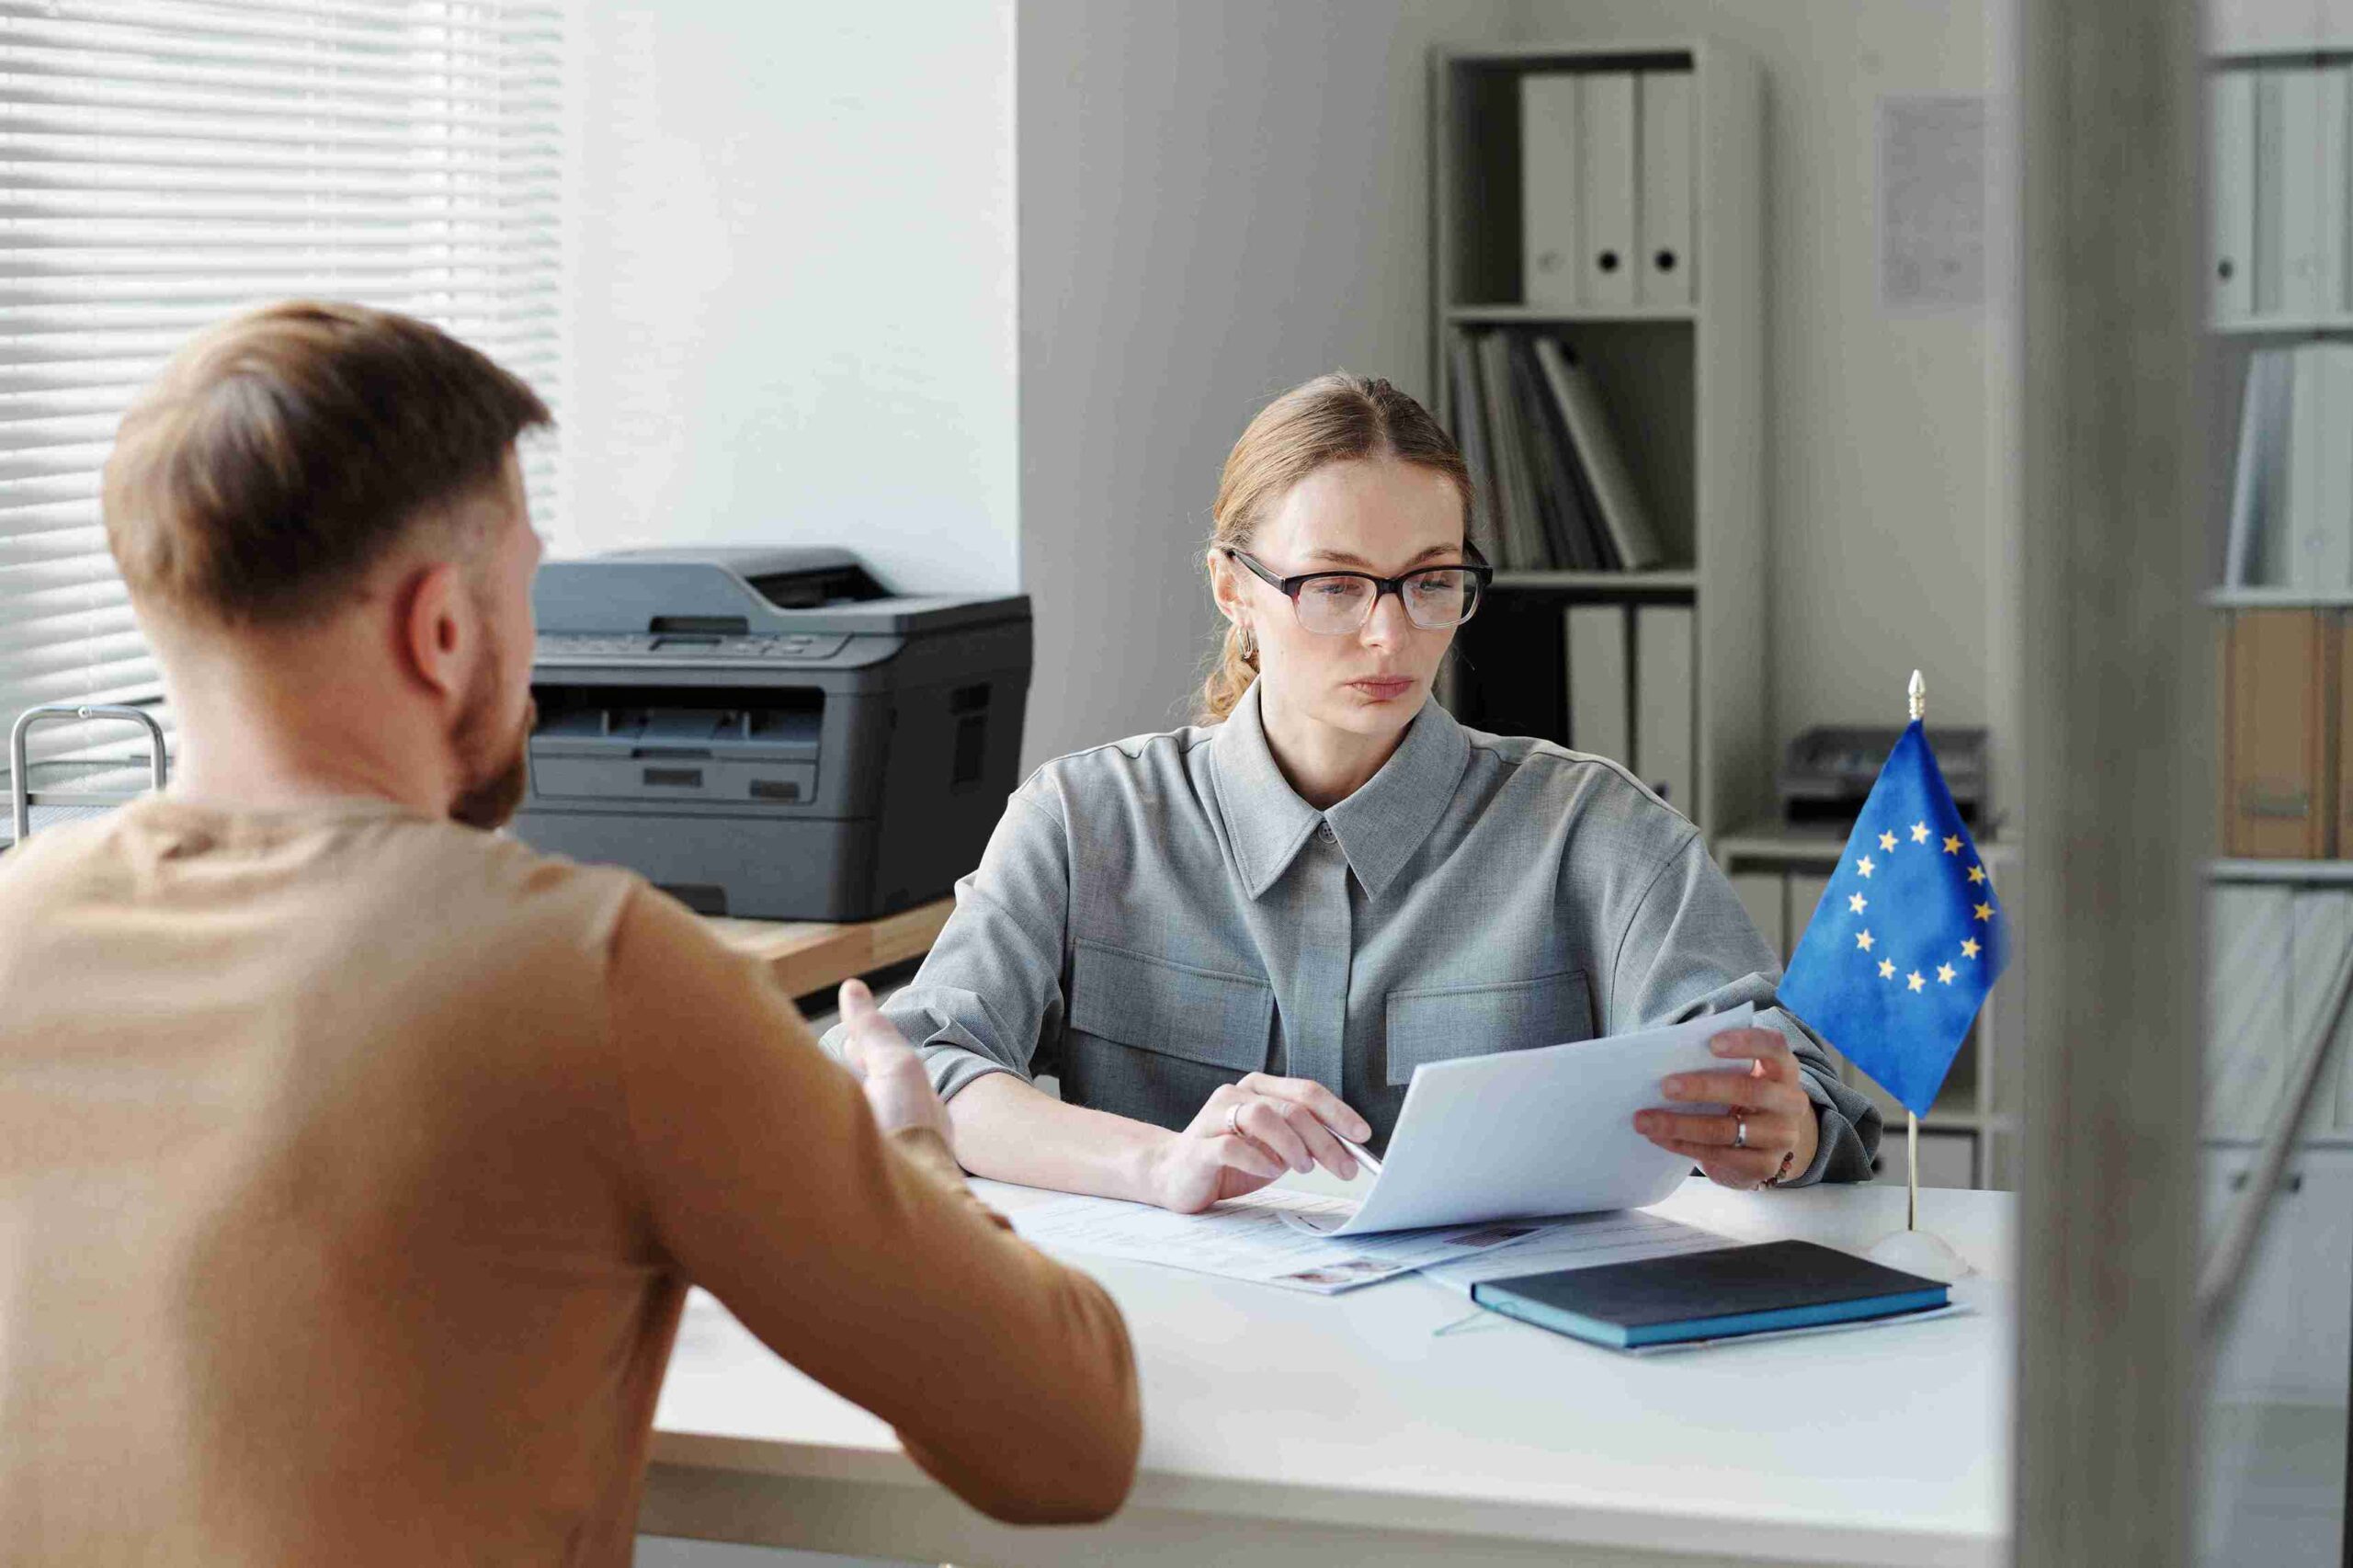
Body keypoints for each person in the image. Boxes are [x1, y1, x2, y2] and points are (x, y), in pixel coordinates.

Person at [0, 302, 1139, 1562]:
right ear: (441, 630)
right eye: (524, 589)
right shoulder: (590, 971)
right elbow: (1066, 1436)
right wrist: (912, 1148)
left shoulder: (21, 918)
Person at [830, 373, 1881, 1213]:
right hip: (1192, 1367)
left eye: (1430, 581)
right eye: (1334, 585)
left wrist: (1779, 1133)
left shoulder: (1598, 833)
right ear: (1233, 586)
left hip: (1513, 1380)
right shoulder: (1084, 820)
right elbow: (923, 1065)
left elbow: (1799, 1092)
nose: (1391, 635)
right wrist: (1160, 1164)